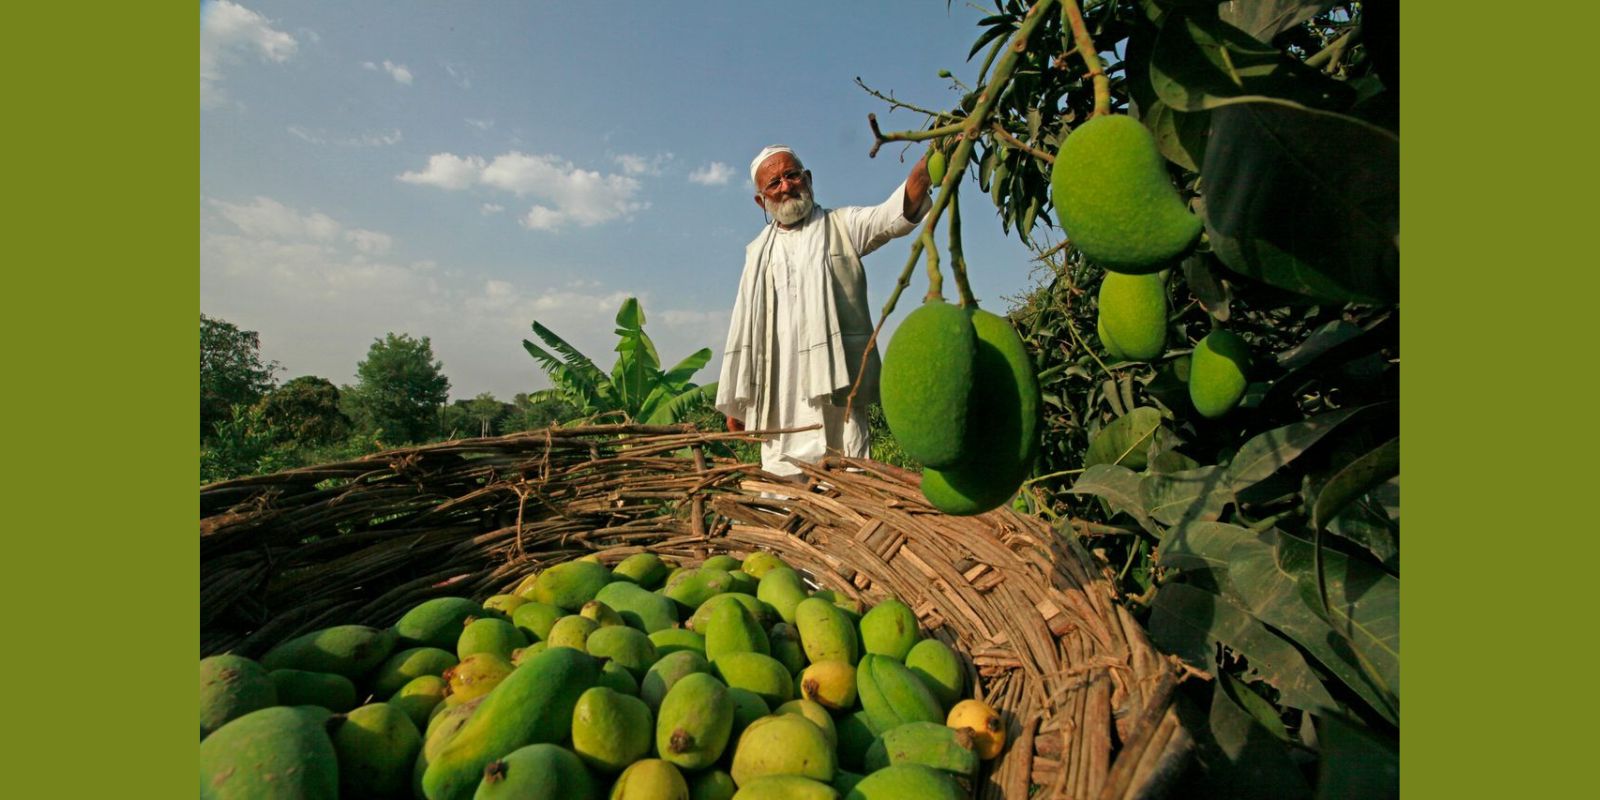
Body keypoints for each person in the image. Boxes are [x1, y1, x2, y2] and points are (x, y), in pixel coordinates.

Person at [715, 144, 933, 479]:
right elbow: (744, 328)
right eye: (774, 183)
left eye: (792, 175)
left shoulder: (842, 226)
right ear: (762, 200)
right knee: (782, 495)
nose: (786, 186)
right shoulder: (757, 254)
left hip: (836, 389)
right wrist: (740, 398)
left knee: (847, 484)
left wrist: (928, 164)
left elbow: (893, 215)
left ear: (808, 178)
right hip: (779, 398)